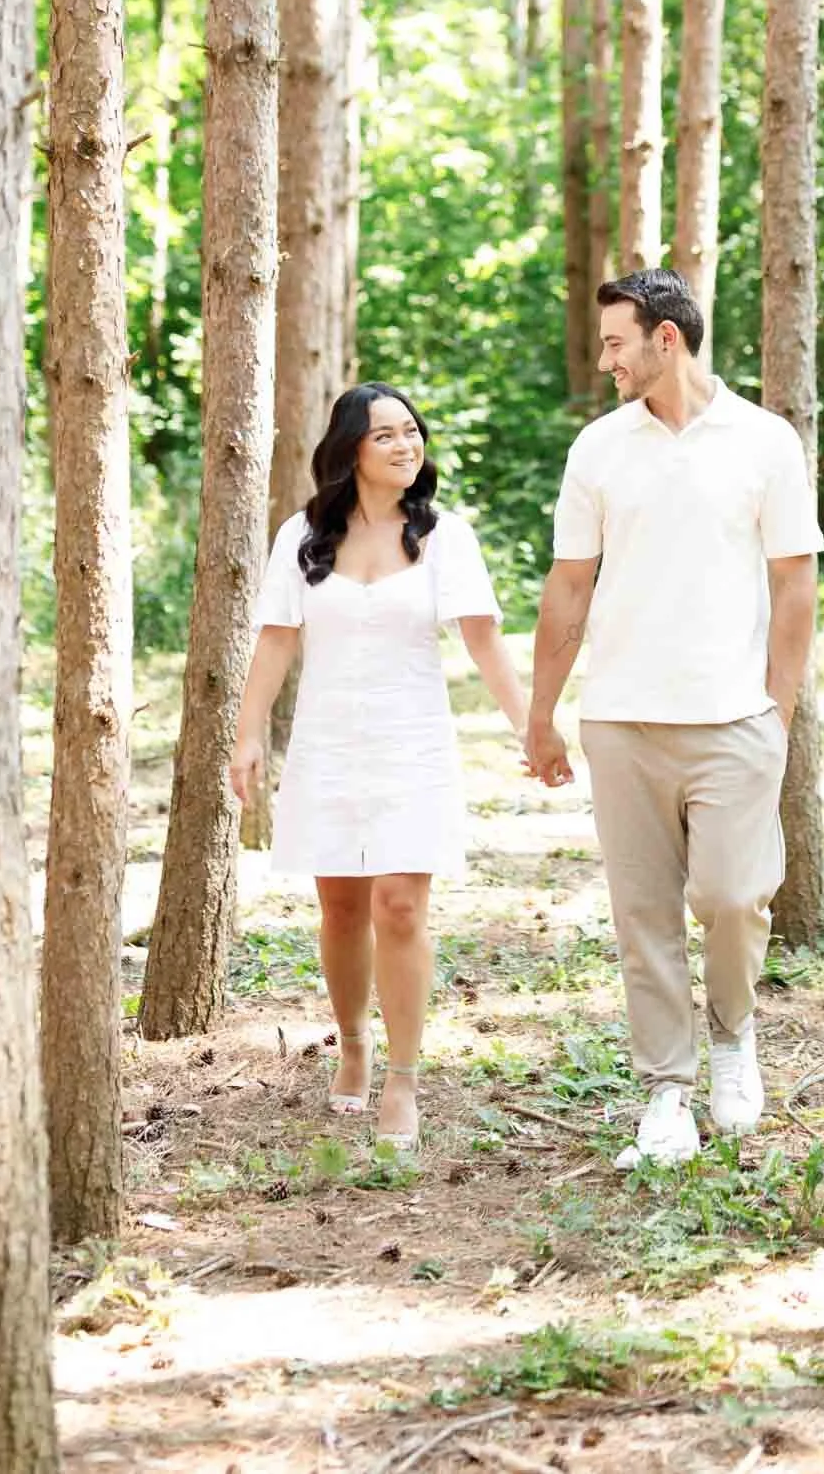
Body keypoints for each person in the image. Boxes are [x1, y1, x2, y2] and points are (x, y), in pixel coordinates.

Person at [526, 270, 824, 1169]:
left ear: (666, 340)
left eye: (616, 342)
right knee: (643, 916)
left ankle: (733, 1038)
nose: (604, 359)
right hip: (619, 719)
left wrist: (779, 703)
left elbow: (794, 579)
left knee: (732, 899)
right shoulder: (598, 450)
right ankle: (666, 1092)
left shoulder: (765, 442)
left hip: (734, 716)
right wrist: (542, 713)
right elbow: (568, 585)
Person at [229, 383, 529, 1151]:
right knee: (340, 908)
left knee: (399, 905)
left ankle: (402, 1077)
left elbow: (483, 641)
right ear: (350, 451)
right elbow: (273, 639)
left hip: (412, 742)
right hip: (329, 741)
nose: (405, 446)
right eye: (385, 435)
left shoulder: (444, 536)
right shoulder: (302, 535)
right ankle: (351, 1044)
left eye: (411, 432)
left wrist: (531, 727)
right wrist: (247, 733)